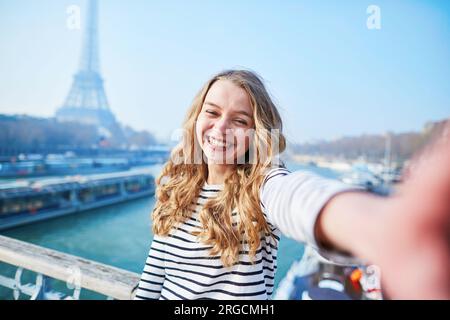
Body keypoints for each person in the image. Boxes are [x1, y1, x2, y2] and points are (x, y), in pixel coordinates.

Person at [134, 69, 450, 300]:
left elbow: (295, 198)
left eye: (240, 120)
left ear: (256, 133)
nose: (221, 128)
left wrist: (378, 228)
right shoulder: (177, 186)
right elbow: (152, 281)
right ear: (196, 117)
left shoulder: (260, 186)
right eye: (212, 112)